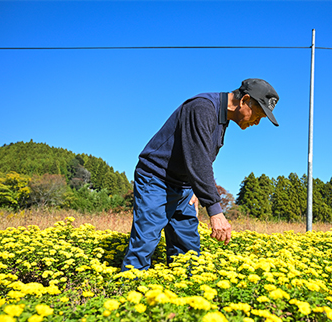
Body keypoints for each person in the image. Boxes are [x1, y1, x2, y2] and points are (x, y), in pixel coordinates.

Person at [119, 78, 280, 271]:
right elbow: (198, 160)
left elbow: (201, 157)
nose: (257, 122)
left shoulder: (222, 120)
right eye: (259, 115)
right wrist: (216, 211)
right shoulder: (202, 108)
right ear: (245, 100)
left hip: (184, 187)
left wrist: (196, 188)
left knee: (188, 252)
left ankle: (183, 298)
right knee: (144, 244)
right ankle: (129, 292)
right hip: (156, 179)